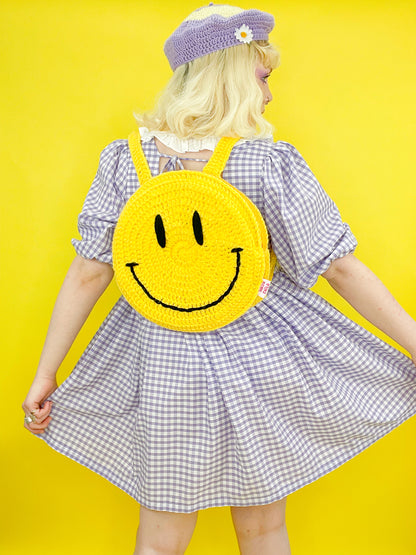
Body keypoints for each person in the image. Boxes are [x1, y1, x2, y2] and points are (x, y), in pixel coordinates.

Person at [22, 4, 416, 555]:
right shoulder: (266, 164)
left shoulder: (123, 162)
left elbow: (90, 270)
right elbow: (339, 266)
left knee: (160, 540)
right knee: (262, 529)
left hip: (163, 370)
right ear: (231, 77)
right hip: (260, 367)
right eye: (263, 76)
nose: (270, 94)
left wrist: (47, 373)